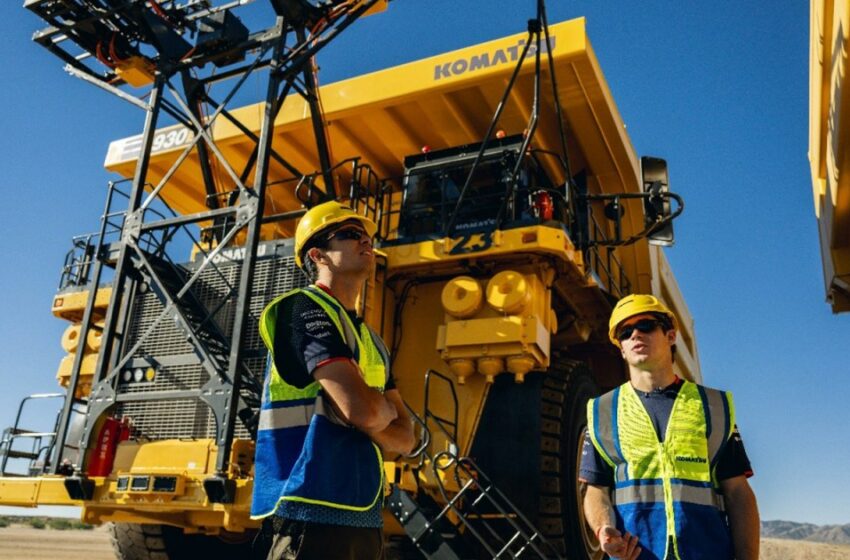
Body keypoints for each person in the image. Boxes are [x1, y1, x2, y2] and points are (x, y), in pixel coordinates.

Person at [251, 201, 416, 560]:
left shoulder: (373, 342)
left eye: (368, 236)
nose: (366, 241)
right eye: (351, 234)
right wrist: (372, 412)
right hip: (308, 505)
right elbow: (361, 408)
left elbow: (406, 437)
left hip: (363, 513)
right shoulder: (302, 310)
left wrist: (369, 414)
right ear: (317, 254)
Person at [580, 294, 759, 560]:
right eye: (626, 332)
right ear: (621, 349)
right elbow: (596, 489)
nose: (635, 335)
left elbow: (738, 492)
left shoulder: (712, 406)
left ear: (671, 336)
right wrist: (603, 528)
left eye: (646, 326)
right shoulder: (603, 411)